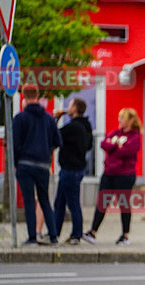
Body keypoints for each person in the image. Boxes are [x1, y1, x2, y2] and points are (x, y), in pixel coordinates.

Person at [83, 108, 142, 246]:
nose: (119, 121)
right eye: (119, 118)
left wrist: (113, 146)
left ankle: (125, 235)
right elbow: (104, 144)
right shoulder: (116, 133)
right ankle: (92, 232)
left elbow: (128, 150)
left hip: (125, 175)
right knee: (102, 203)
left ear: (130, 121)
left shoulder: (135, 136)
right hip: (108, 173)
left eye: (122, 118)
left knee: (124, 205)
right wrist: (117, 145)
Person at [12, 84, 61, 246]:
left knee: (29, 201)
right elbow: (57, 141)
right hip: (43, 165)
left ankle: (32, 237)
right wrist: (46, 154)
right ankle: (53, 235)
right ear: (38, 95)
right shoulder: (48, 118)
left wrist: (16, 164)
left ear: (24, 97)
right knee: (44, 199)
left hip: (25, 164)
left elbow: (15, 144)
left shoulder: (20, 118)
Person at [53, 98, 93, 245]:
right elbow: (88, 146)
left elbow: (54, 136)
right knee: (61, 202)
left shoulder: (73, 127)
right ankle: (54, 233)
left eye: (69, 105)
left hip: (69, 169)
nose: (67, 108)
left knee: (71, 203)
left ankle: (75, 235)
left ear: (75, 108)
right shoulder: (86, 126)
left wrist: (56, 119)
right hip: (78, 168)